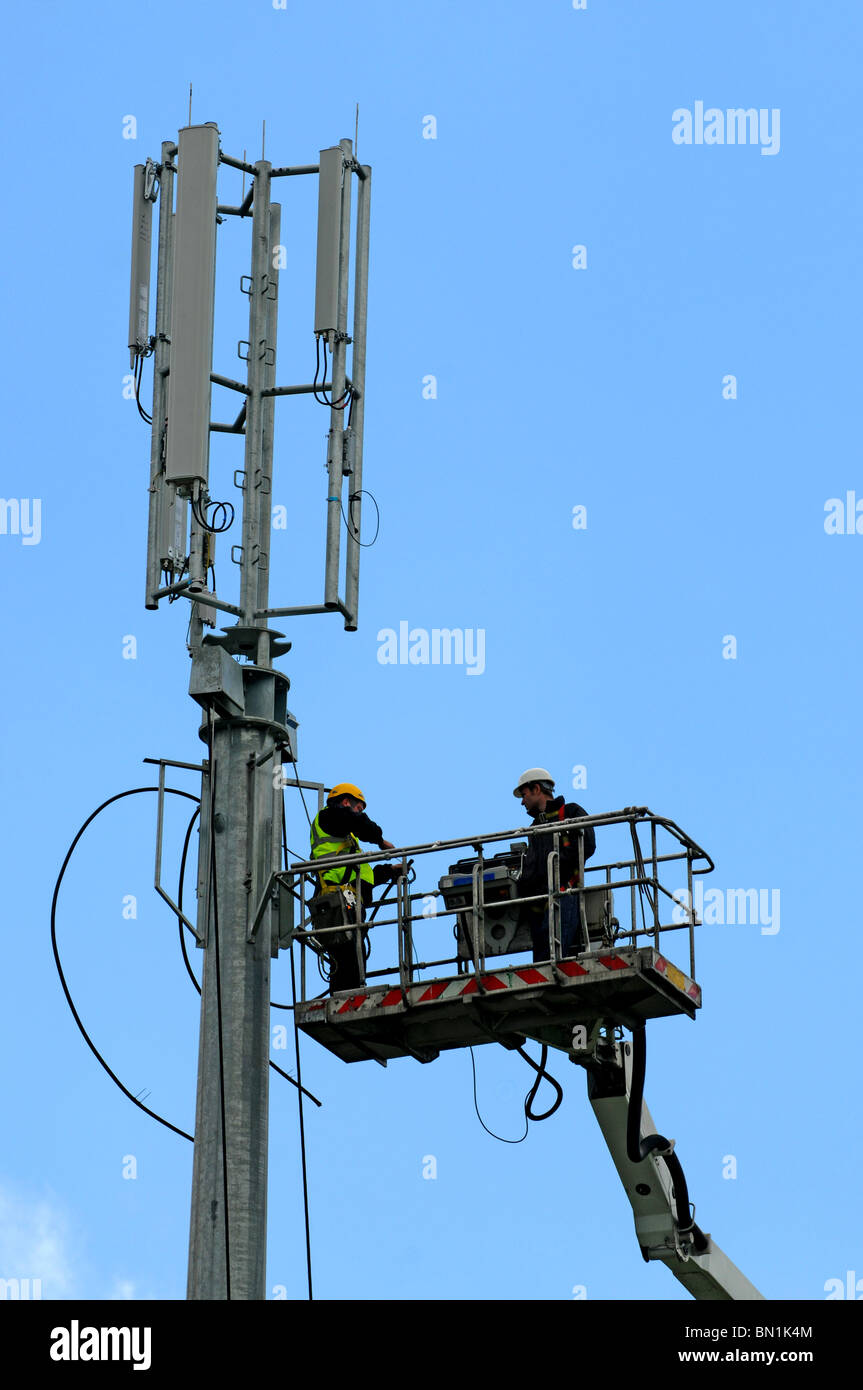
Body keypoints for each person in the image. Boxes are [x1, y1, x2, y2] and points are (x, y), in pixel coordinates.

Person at [309, 782, 401, 992]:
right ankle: (345, 997)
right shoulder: (330, 817)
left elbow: (359, 874)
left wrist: (388, 872)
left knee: (354, 953)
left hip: (345, 900)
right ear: (345, 802)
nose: (360, 813)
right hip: (336, 901)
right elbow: (358, 822)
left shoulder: (343, 834)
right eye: (358, 807)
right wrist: (379, 839)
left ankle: (351, 994)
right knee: (346, 955)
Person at [512, 767, 596, 962]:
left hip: (564, 894)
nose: (522, 802)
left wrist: (558, 861)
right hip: (538, 904)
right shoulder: (534, 829)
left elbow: (588, 845)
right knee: (542, 963)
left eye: (524, 795)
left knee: (555, 961)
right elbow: (533, 867)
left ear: (536, 789)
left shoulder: (570, 812)